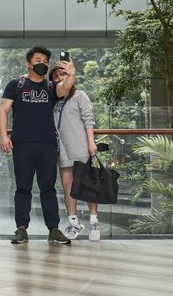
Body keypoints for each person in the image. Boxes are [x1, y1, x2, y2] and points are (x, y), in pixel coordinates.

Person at [0, 46, 75, 245]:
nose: (42, 63)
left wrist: (71, 73)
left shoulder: (51, 87)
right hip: (22, 144)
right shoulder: (16, 85)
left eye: (45, 61)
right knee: (23, 187)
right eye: (38, 60)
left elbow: (65, 88)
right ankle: (21, 229)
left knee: (48, 187)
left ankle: (54, 229)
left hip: (47, 145)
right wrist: (4, 136)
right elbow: (4, 110)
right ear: (29, 64)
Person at [50, 65, 100, 241]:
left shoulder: (80, 96)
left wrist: (91, 142)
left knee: (86, 185)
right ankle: (74, 224)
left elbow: (88, 120)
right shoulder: (53, 99)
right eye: (56, 76)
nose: (60, 78)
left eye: (63, 74)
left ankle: (94, 222)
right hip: (62, 148)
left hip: (80, 147)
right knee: (67, 186)